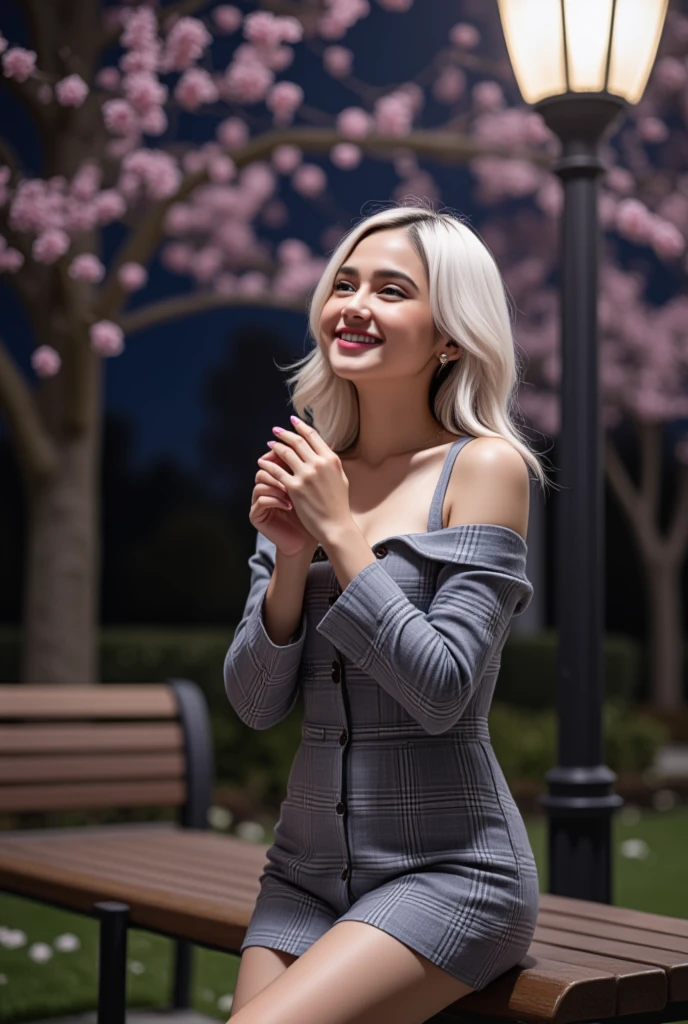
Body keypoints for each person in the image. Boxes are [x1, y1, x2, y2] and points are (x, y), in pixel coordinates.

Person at [223, 203, 551, 1024]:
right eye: (344, 283)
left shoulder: (484, 467)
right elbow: (257, 705)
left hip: (447, 872)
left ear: (448, 333)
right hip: (303, 874)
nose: (354, 304)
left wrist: (340, 532)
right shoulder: (314, 470)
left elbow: (442, 693)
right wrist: (292, 558)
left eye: (392, 289)